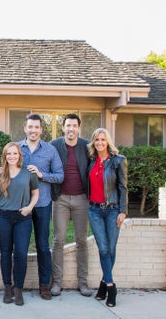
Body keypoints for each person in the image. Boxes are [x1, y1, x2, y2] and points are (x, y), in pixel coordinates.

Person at [16, 114, 64, 300]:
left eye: (36, 127)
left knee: (43, 246)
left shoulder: (50, 150)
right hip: (21, 205)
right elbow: (8, 170)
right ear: (25, 128)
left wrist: (42, 174)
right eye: (30, 127)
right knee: (20, 247)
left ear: (41, 130)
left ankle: (44, 285)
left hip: (43, 204)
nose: (33, 130)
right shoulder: (17, 148)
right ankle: (17, 285)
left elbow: (60, 176)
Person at [0, 142, 39, 306]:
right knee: (5, 253)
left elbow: (35, 195)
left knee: (21, 254)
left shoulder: (28, 174)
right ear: (4, 156)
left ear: (19, 155)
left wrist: (29, 208)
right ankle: (7, 288)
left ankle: (18, 288)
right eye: (8, 154)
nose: (12, 156)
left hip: (23, 217)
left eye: (15, 153)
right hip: (3, 218)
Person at [50, 114, 93, 297]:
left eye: (74, 126)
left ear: (79, 128)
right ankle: (57, 282)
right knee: (58, 240)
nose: (71, 129)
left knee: (81, 241)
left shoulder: (86, 146)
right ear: (63, 127)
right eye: (68, 125)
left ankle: (83, 282)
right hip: (60, 199)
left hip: (82, 199)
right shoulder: (55, 145)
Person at [87, 128, 128, 308]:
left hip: (113, 210)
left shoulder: (118, 161)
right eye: (97, 140)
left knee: (111, 249)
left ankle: (103, 284)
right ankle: (111, 287)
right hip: (94, 210)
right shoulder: (91, 161)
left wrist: (123, 211)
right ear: (94, 142)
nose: (100, 143)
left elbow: (123, 187)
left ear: (108, 141)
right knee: (103, 248)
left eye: (103, 139)